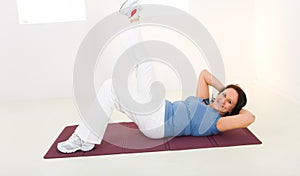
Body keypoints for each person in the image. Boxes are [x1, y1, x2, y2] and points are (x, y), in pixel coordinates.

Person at [57, 65, 255, 153]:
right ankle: (133, 16)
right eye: (224, 96)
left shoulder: (217, 122)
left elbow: (249, 117)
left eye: (229, 102)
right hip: (157, 107)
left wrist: (235, 109)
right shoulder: (204, 101)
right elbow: (204, 74)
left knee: (111, 86)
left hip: (157, 123)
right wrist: (224, 90)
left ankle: (84, 140)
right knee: (144, 65)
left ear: (231, 111)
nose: (224, 100)